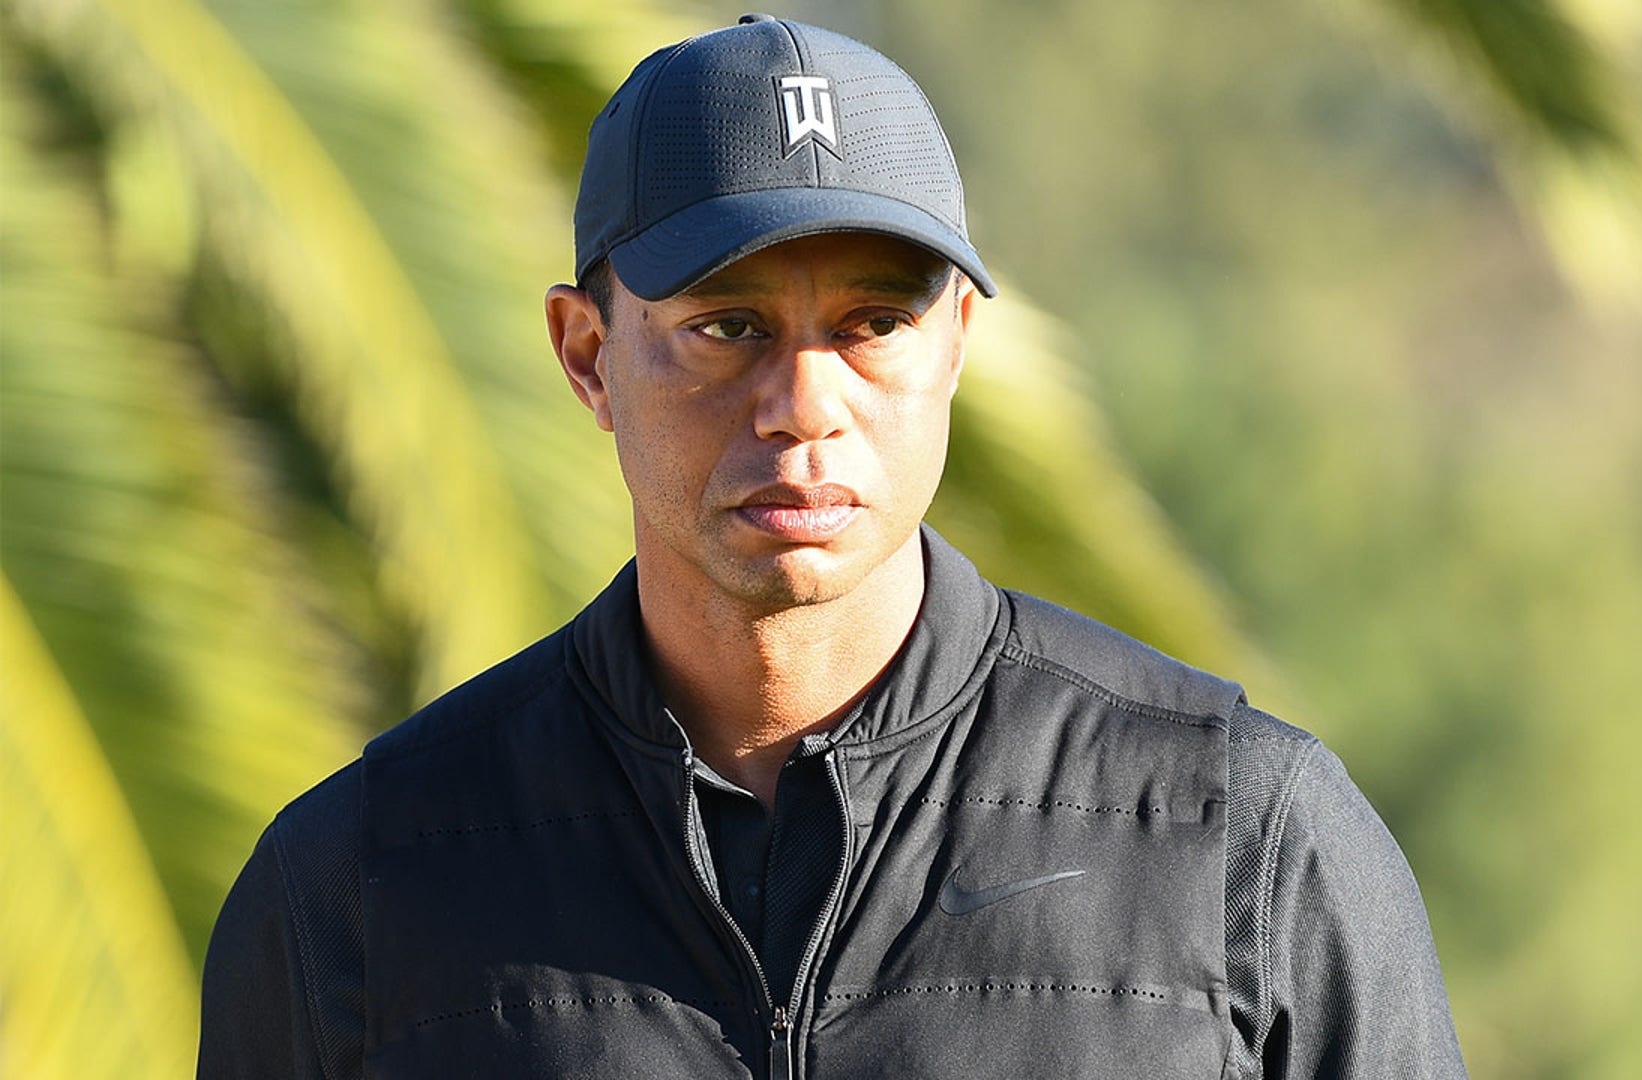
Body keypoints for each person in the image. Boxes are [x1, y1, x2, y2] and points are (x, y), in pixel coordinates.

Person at [198, 14, 1467, 1079]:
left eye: (873, 323)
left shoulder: (1243, 842)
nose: (805, 403)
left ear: (958, 342)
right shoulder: (357, 887)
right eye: (726, 325)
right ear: (589, 355)